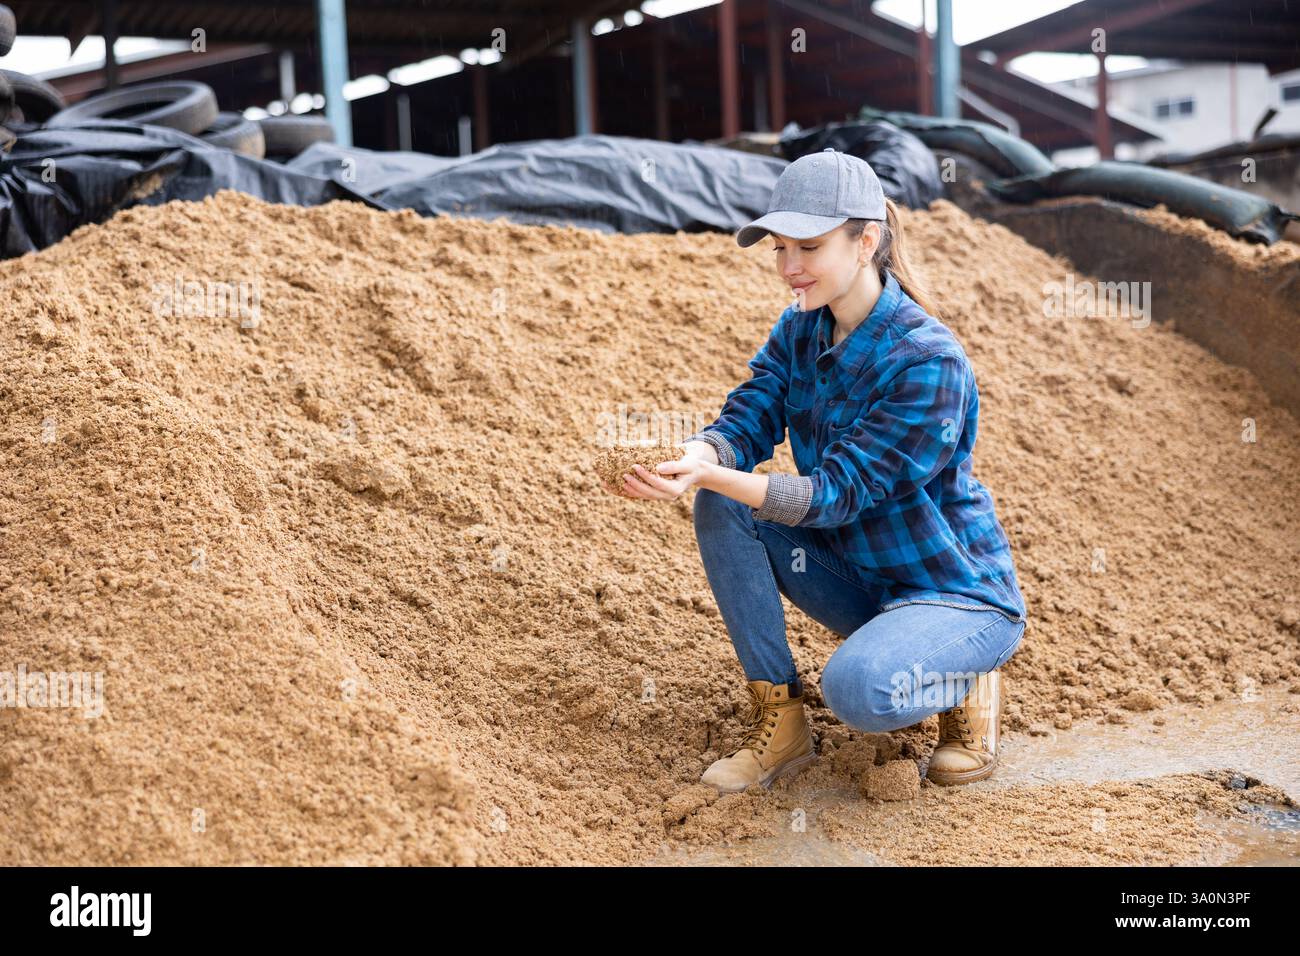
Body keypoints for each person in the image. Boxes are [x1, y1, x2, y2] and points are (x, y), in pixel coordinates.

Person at [616, 148, 1028, 793]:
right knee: (723, 503)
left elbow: (838, 493)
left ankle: (964, 675)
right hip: (862, 579)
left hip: (953, 593)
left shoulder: (928, 360)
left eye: (807, 247)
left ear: (866, 242)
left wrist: (711, 475)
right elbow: (751, 413)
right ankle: (780, 723)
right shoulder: (802, 327)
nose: (788, 267)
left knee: (859, 692)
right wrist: (699, 458)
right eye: (780, 248)